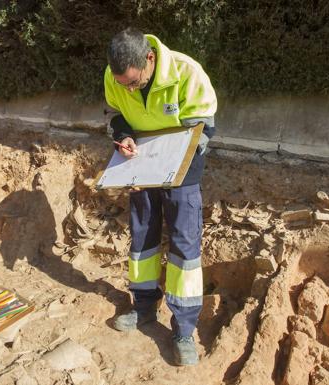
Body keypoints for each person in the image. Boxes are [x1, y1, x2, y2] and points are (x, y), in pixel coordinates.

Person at [104, 27, 217, 366]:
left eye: (133, 83)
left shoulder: (187, 71)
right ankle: (143, 308)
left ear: (149, 60)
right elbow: (117, 117)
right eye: (123, 83)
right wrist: (123, 137)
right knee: (142, 240)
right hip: (142, 166)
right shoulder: (116, 76)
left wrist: (171, 169)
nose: (128, 88)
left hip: (183, 166)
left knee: (184, 247)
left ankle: (183, 329)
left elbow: (203, 127)